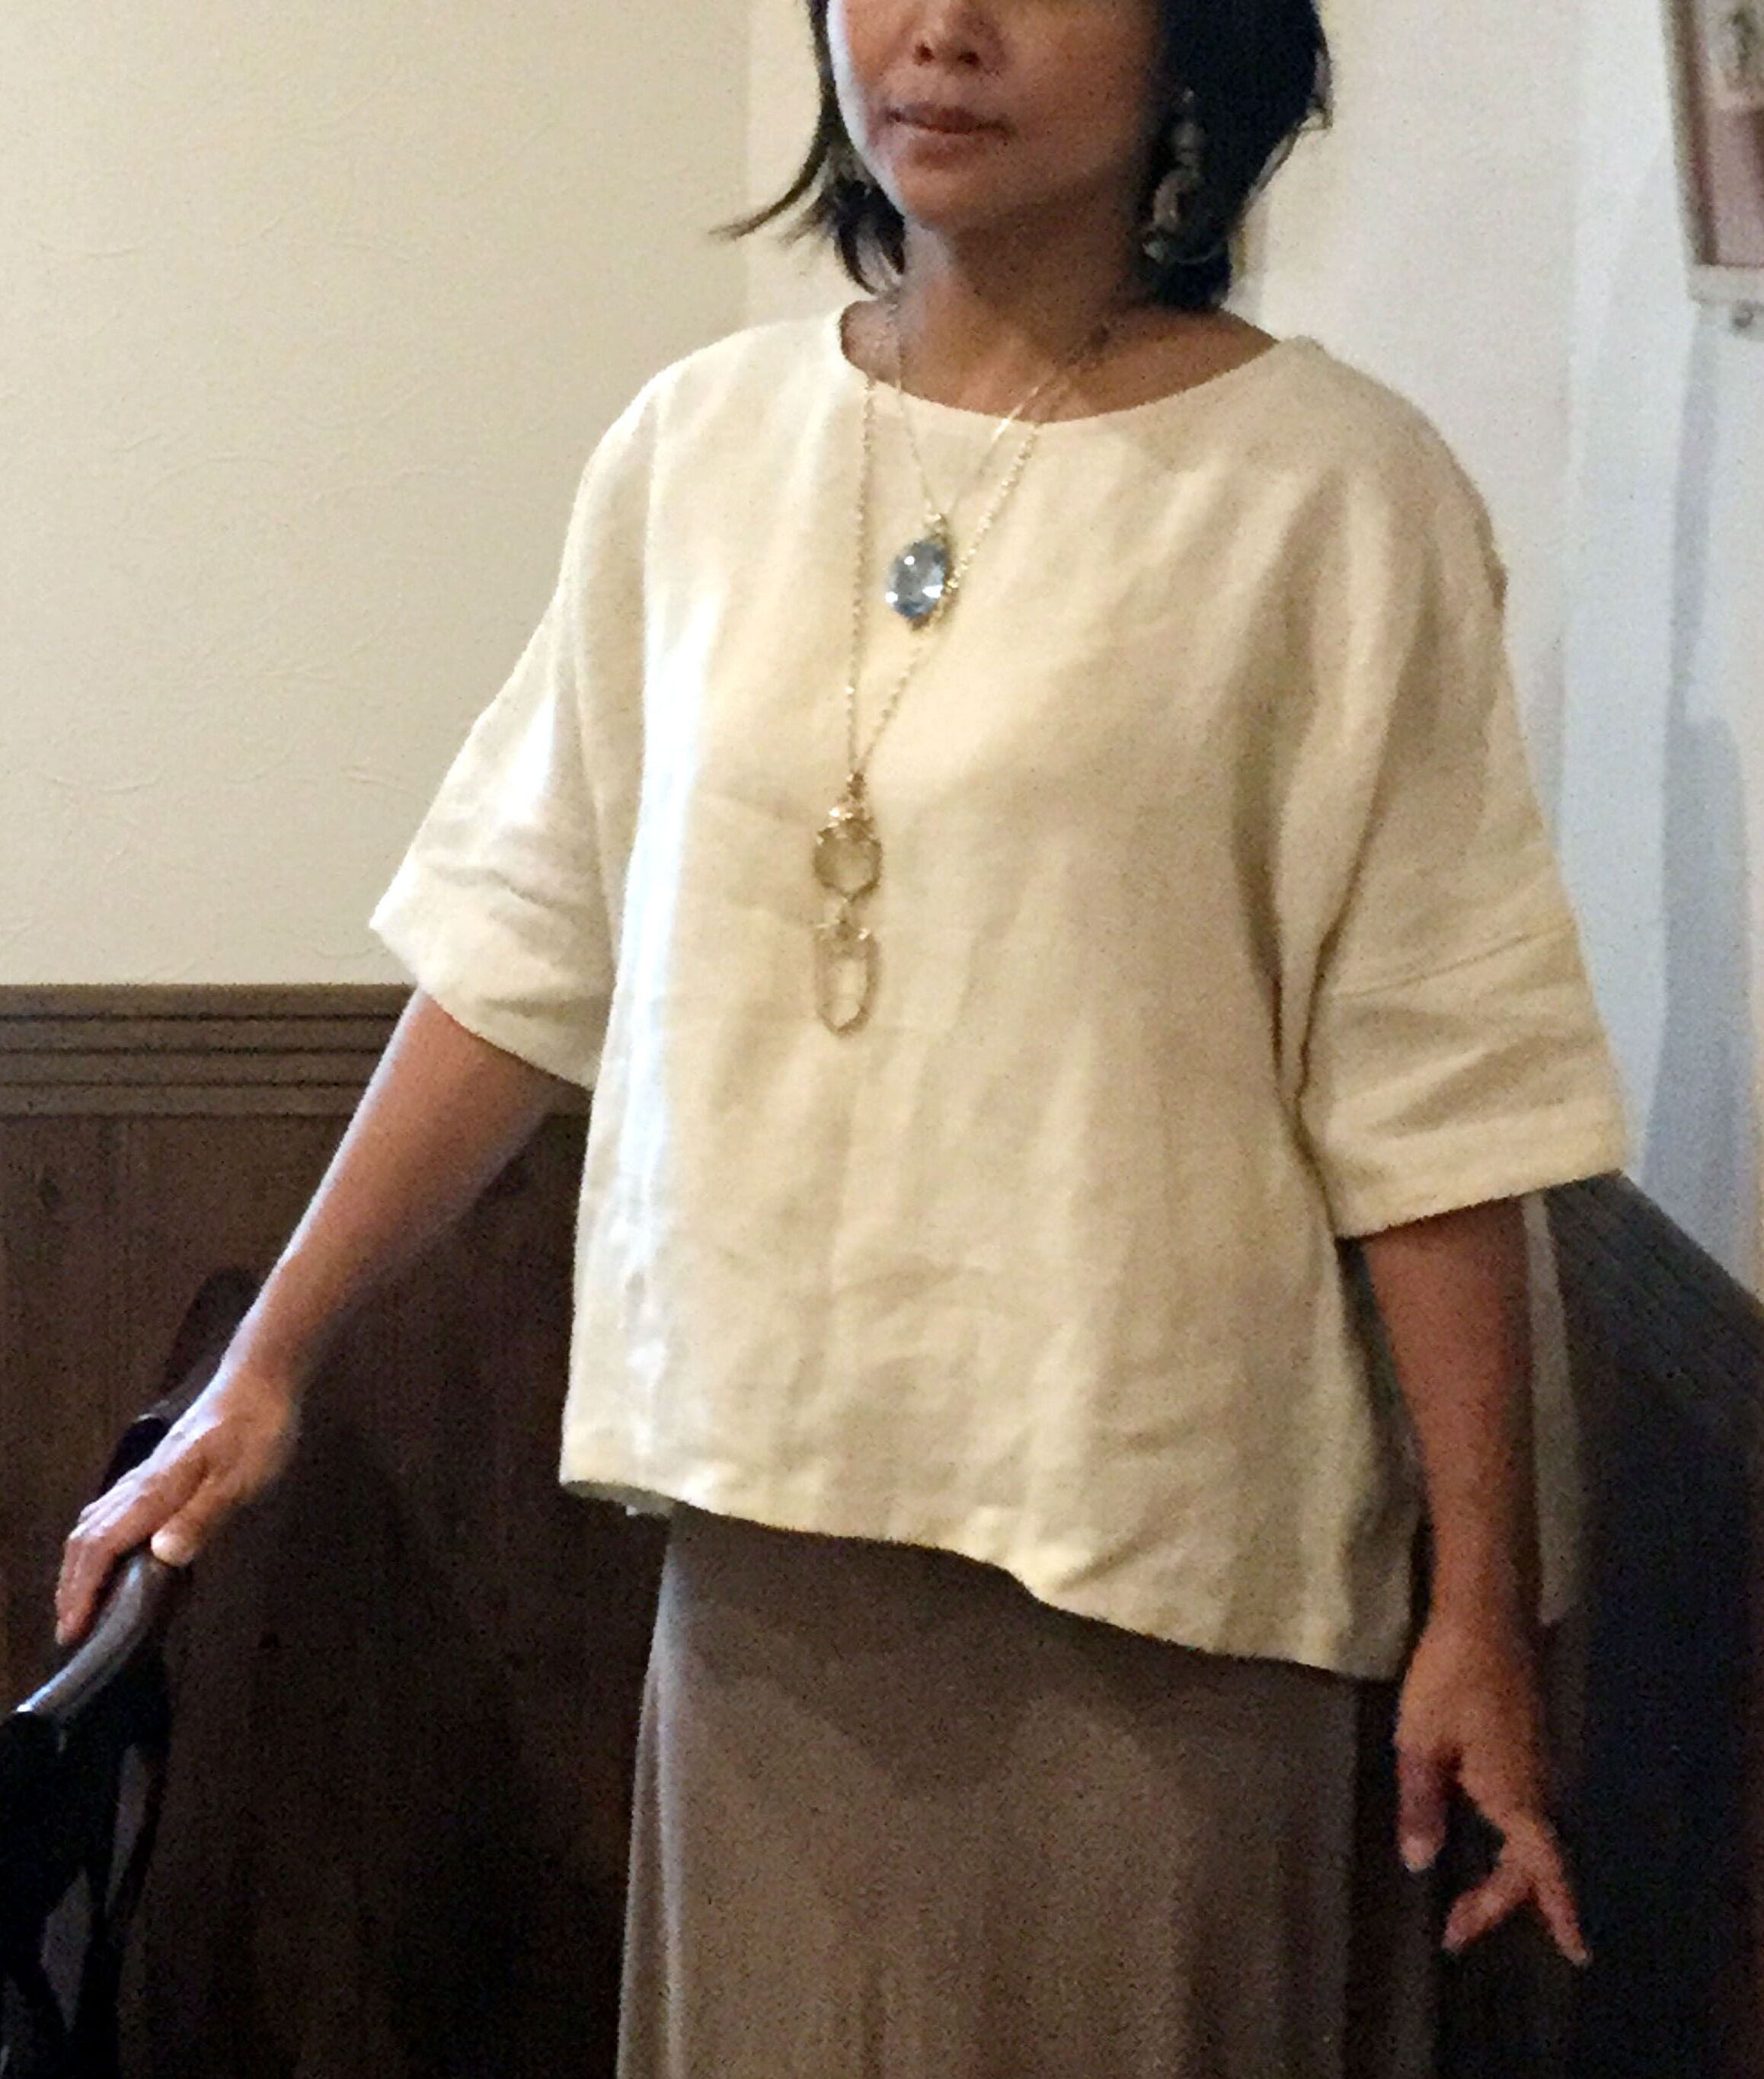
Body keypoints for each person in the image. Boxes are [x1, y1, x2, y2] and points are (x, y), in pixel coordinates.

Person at [56, 1, 1632, 2071]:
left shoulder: (1336, 491)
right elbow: (526, 939)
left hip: (1167, 1557)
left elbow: (1431, 1083)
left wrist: (1481, 1604)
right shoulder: (697, 447)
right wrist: (267, 1362)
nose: (939, 30)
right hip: (774, 1538)